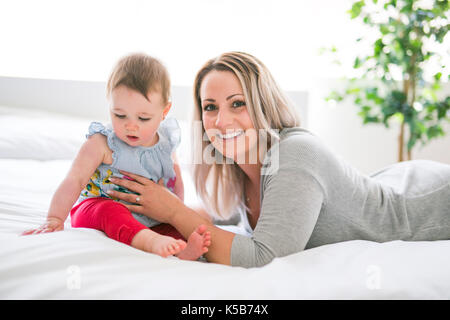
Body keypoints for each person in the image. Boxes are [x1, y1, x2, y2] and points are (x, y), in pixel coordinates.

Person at [99, 51, 450, 268]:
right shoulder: (240, 169)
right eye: (210, 107)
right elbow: (210, 216)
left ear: (262, 103)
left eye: (238, 103)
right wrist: (142, 213)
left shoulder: (294, 154)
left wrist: (172, 211)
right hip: (393, 178)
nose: (221, 122)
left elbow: (261, 256)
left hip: (431, 203)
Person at [22, 53, 211, 261]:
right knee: (110, 210)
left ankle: (183, 250)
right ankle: (149, 241)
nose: (131, 125)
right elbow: (74, 180)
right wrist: (55, 217)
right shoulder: (102, 142)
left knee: (182, 222)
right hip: (98, 207)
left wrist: (175, 214)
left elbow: (175, 183)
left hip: (147, 213)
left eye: (143, 118)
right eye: (120, 115)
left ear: (164, 111)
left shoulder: (165, 143)